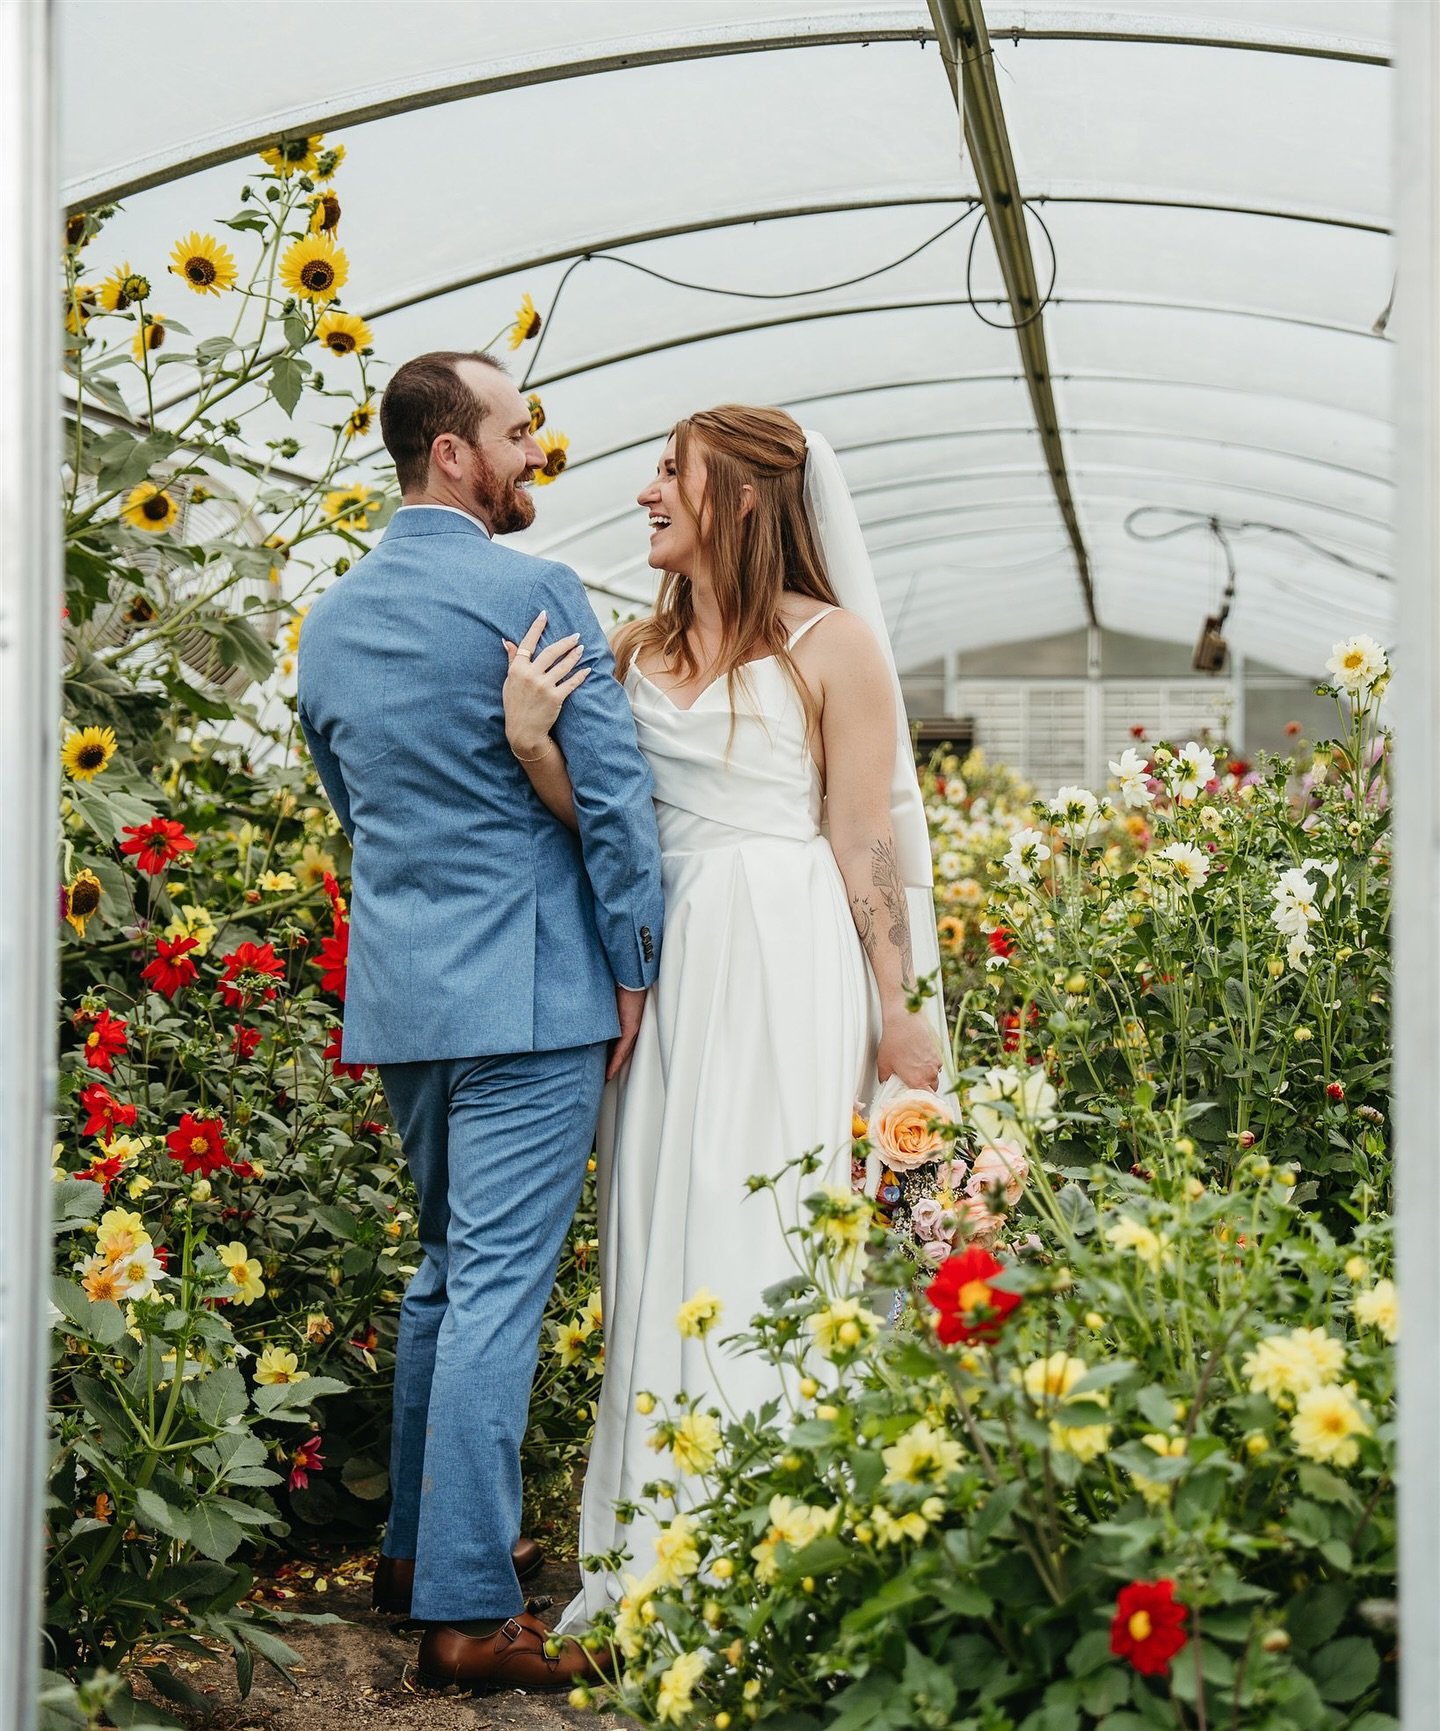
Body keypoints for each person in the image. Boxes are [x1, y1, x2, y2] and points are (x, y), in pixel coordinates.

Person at [498, 405, 946, 1630]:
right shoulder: (631, 648)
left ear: (739, 497)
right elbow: (613, 824)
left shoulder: (833, 645)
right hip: (668, 961)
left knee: (775, 1226)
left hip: (790, 960)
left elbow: (864, 837)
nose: (645, 491)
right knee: (658, 1228)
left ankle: (783, 1547)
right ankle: (660, 1546)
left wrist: (898, 1010)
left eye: (669, 472)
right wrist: (536, 748)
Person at [296, 350, 664, 1692]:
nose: (534, 452)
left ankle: (413, 1553)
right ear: (452, 452)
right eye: (516, 431)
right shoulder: (530, 591)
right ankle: (466, 1613)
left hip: (408, 995)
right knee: (498, 1289)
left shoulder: (328, 623)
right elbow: (613, 798)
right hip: (529, 991)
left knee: (449, 1272)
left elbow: (354, 802)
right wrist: (634, 961)